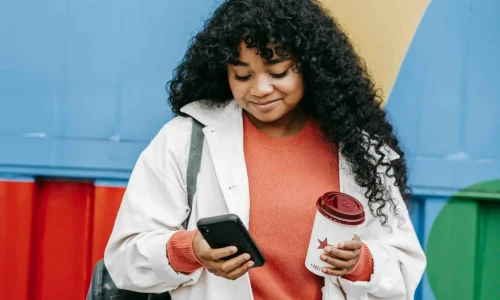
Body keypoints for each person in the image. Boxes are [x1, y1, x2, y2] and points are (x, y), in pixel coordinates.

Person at [104, 0, 426, 299]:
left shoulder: (358, 150)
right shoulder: (185, 139)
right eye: (242, 75)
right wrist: (188, 251)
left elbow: (404, 269)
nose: (259, 89)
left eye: (278, 72)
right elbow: (124, 257)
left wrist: (361, 263)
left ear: (311, 65)